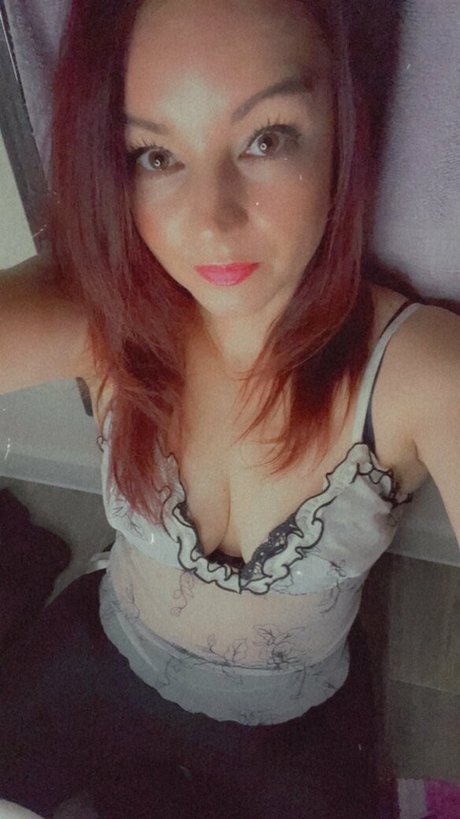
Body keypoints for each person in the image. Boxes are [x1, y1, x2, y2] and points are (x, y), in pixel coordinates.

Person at [0, 0, 459, 817]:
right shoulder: (103, 315)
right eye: (155, 155)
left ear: (343, 129)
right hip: (105, 664)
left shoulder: (421, 369)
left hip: (296, 725)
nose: (211, 222)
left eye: (265, 138)